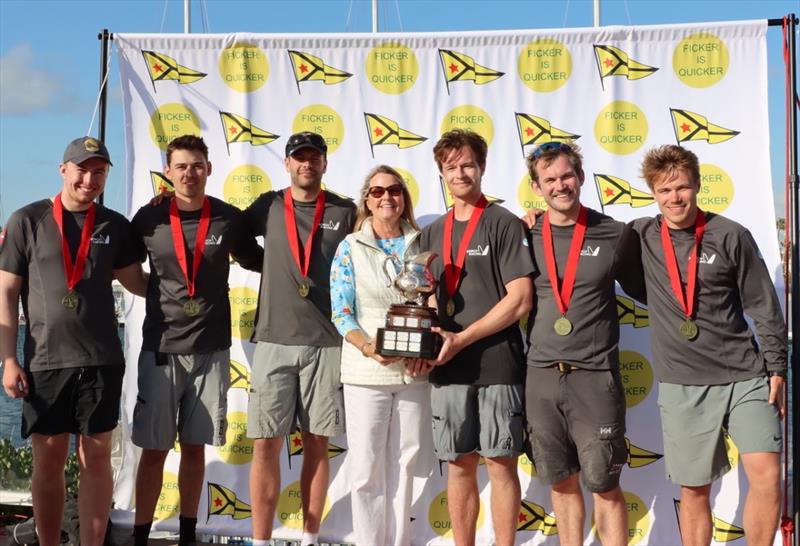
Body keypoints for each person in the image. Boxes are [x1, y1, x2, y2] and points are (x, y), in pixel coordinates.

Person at [632, 144, 786, 546]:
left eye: (682, 187)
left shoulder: (730, 234)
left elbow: (764, 305)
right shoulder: (642, 235)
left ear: (697, 186)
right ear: (653, 194)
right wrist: (536, 220)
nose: (674, 198)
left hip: (745, 377)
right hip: (683, 384)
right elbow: (581, 234)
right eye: (664, 191)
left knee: (768, 474)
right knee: (694, 490)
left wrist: (776, 367)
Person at [0, 136, 145, 546]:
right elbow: (6, 295)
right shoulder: (27, 220)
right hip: (45, 361)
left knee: (96, 458)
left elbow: (139, 285)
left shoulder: (114, 225)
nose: (89, 179)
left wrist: (196, 277)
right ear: (63, 169)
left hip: (101, 360)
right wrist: (8, 360)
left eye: (99, 171)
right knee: (48, 461)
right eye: (82, 169)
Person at [129, 135, 263, 546]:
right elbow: (123, 266)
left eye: (197, 165)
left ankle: (188, 534)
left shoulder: (226, 218)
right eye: (181, 166)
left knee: (194, 448)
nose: (190, 172)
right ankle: (139, 535)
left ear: (209, 169)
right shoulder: (148, 219)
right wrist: (157, 293)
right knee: (153, 451)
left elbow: (258, 259)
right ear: (168, 173)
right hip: (162, 348)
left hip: (211, 348)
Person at [412, 129, 534, 546]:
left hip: (498, 362)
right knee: (459, 465)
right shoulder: (431, 233)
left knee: (500, 463)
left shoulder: (503, 223)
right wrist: (425, 341)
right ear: (441, 174)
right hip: (447, 366)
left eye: (467, 165)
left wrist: (461, 339)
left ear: (482, 168)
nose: (460, 173)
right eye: (451, 167)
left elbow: (520, 301)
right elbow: (425, 299)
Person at [524, 141, 645, 545]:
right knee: (560, 484)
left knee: (605, 487)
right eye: (550, 180)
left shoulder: (614, 233)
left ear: (580, 177)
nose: (561, 186)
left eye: (567, 176)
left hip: (595, 379)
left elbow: (652, 291)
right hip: (540, 377)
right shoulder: (524, 233)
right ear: (537, 187)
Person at [243, 132, 356, 546]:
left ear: (324, 164)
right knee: (264, 446)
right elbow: (232, 234)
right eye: (298, 157)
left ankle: (310, 538)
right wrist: (265, 264)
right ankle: (260, 540)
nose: (306, 164)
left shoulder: (345, 211)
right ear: (287, 164)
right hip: (273, 339)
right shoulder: (268, 206)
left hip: (327, 341)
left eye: (314, 157)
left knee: (317, 445)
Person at [329, 165, 430, 546]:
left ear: (403, 198)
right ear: (367, 201)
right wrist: (370, 348)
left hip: (414, 371)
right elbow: (341, 311)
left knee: (409, 465)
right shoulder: (350, 247)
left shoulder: (422, 243)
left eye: (394, 190)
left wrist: (427, 351)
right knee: (367, 468)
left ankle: (402, 541)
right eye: (376, 192)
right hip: (365, 371)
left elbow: (437, 306)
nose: (386, 197)